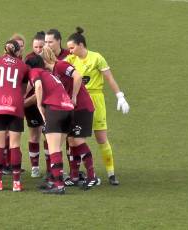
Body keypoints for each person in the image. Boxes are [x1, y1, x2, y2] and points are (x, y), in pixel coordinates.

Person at [65, 27, 130, 185]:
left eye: (72, 47)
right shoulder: (70, 60)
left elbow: (109, 78)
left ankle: (111, 174)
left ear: (81, 45)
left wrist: (120, 96)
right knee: (75, 138)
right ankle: (76, 174)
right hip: (79, 101)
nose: (70, 51)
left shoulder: (97, 58)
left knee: (101, 138)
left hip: (96, 100)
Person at [41, 46, 100, 190]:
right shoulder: (54, 71)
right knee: (72, 141)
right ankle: (74, 176)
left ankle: (92, 176)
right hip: (72, 108)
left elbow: (78, 76)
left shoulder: (60, 65)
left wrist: (73, 96)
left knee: (78, 140)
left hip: (82, 107)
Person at [26, 54, 74, 194]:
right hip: (68, 110)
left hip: (55, 110)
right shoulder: (49, 74)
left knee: (53, 150)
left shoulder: (35, 71)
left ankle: (59, 185)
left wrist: (40, 105)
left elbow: (38, 86)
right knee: (58, 148)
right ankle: (54, 179)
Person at [0, 40, 29, 192]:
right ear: (18, 52)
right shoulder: (23, 66)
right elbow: (23, 89)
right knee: (15, 145)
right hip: (15, 104)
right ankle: (16, 183)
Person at [23, 31, 46, 178]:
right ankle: (35, 167)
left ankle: (52, 167)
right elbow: (29, 82)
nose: (38, 50)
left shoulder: (51, 59)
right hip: (31, 104)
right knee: (34, 135)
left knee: (48, 135)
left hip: (47, 103)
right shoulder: (29, 59)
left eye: (41, 47)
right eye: (36, 47)